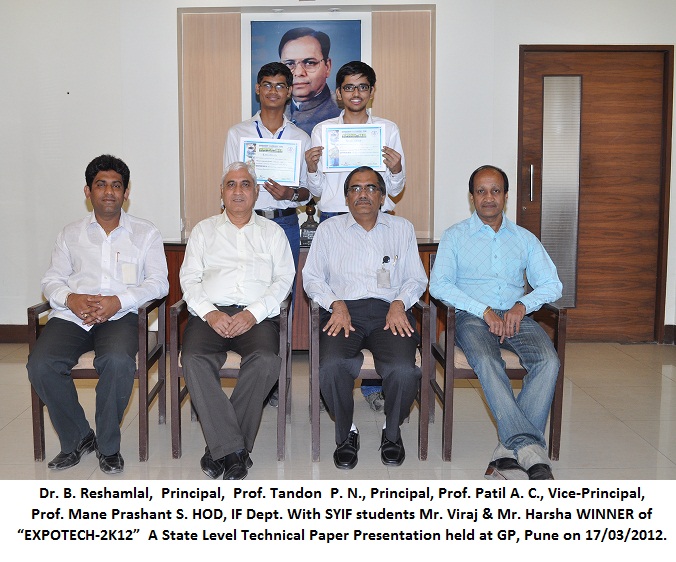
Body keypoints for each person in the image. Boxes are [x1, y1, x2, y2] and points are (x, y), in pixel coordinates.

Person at [26, 155, 169, 475]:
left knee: (117, 362)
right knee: (41, 364)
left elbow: (159, 283)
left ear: (126, 192)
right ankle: (78, 437)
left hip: (121, 316)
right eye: (101, 185)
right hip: (72, 316)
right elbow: (51, 280)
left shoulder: (145, 233)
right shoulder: (70, 233)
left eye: (116, 186)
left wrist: (119, 301)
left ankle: (108, 446)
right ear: (88, 191)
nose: (108, 192)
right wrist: (71, 298)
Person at [429, 165, 563, 480]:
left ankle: (509, 449)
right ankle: (530, 450)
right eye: (481, 191)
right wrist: (484, 310)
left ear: (505, 196)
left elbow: (552, 284)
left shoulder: (524, 238)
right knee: (488, 361)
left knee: (549, 361)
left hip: (517, 317)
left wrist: (522, 305)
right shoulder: (455, 236)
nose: (488, 197)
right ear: (472, 197)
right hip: (472, 317)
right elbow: (439, 285)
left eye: (495, 191)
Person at [303, 166, 427, 470]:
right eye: (355, 188)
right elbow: (312, 277)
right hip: (344, 312)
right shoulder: (329, 230)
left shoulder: (402, 229)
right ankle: (346, 433)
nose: (363, 194)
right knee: (331, 365)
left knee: (403, 370)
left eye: (371, 187)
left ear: (382, 196)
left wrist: (399, 302)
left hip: (390, 312)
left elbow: (416, 278)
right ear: (346, 198)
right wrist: (335, 303)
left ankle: (392, 432)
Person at [179, 162, 294, 480]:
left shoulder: (272, 233)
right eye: (231, 184)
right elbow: (189, 279)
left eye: (245, 184)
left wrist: (253, 313)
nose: (238, 190)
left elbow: (284, 280)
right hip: (210, 314)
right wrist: (210, 312)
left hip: (257, 316)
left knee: (266, 360)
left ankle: (220, 449)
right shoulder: (203, 231)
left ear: (256, 192)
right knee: (193, 359)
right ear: (221, 192)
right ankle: (234, 451)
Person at [305, 61, 406, 410]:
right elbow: (316, 190)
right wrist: (312, 168)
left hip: (377, 220)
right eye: (349, 87)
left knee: (377, 296)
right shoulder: (323, 131)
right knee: (339, 299)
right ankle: (334, 380)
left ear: (372, 92)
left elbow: (395, 188)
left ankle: (372, 387)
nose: (356, 93)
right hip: (335, 218)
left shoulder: (387, 130)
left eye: (363, 86)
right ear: (339, 93)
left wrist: (396, 169)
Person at [224, 62, 314, 408]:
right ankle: (250, 369)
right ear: (258, 89)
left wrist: (291, 193)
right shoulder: (238, 134)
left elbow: (309, 192)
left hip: (284, 224)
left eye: (280, 85)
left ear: (289, 91)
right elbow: (228, 182)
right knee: (242, 290)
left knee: (280, 299)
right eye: (267, 84)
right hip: (244, 224)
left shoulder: (300, 138)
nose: (273, 91)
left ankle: (276, 379)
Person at [279, 27, 340, 136]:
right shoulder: (273, 109)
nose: (298, 72)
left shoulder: (342, 113)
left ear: (327, 67)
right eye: (290, 64)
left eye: (310, 63)